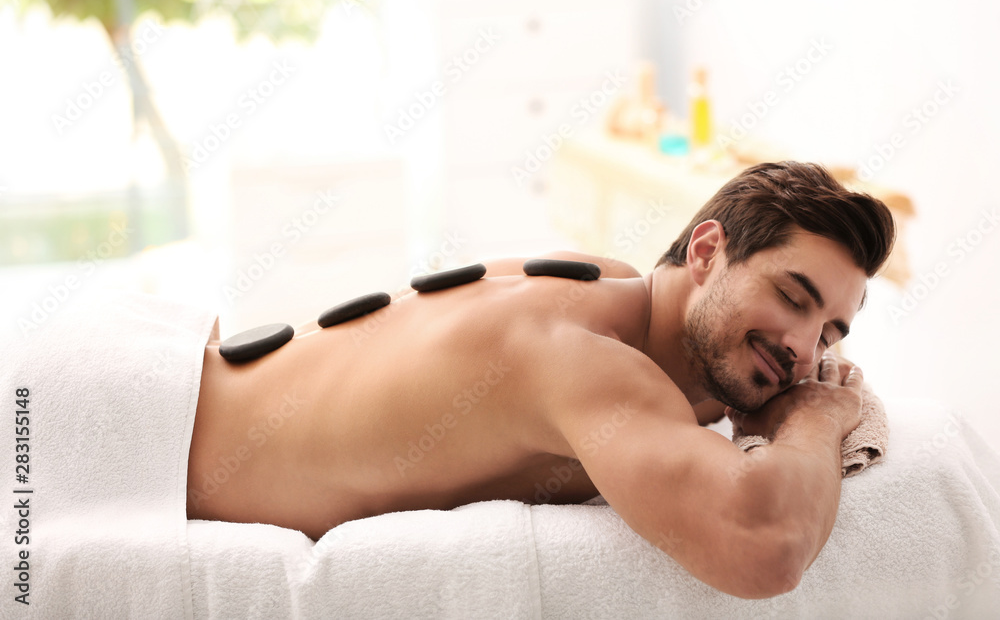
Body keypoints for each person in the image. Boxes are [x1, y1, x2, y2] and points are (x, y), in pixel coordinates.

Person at [186, 160, 896, 599]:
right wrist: (820, 415)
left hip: (192, 380)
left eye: (832, 333)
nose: (807, 351)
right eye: (793, 297)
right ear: (707, 251)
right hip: (149, 430)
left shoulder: (612, 287)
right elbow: (763, 544)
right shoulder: (585, 354)